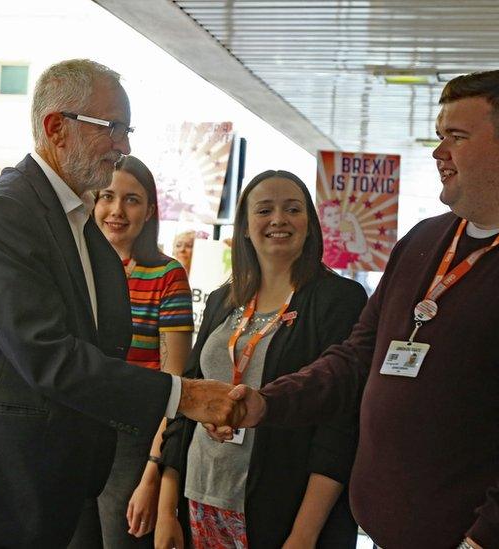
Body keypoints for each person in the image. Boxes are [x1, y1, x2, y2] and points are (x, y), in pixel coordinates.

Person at [0, 58, 242, 548]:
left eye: (127, 129)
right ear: (57, 127)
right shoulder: (6, 210)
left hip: (44, 481)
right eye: (113, 128)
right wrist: (184, 396)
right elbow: (48, 354)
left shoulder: (78, 220)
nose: (123, 146)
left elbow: (97, 349)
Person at [223, 69, 499, 548]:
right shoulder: (424, 240)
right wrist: (269, 401)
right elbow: (357, 357)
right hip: (383, 533)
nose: (439, 153)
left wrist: (487, 540)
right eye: (440, 137)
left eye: (456, 137)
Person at [155, 170, 366, 549]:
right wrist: (166, 507)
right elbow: (187, 396)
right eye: (264, 210)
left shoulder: (338, 299)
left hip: (281, 508)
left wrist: (305, 533)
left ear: (310, 224)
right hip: (201, 495)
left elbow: (340, 423)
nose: (278, 220)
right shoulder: (225, 299)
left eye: (293, 209)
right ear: (246, 228)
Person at [86, 155, 194, 546]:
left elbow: (176, 386)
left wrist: (151, 473)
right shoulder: (77, 270)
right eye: (107, 197)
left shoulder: (167, 276)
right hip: (74, 433)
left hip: (134, 442)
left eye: (131, 200)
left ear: (149, 211)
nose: (116, 210)